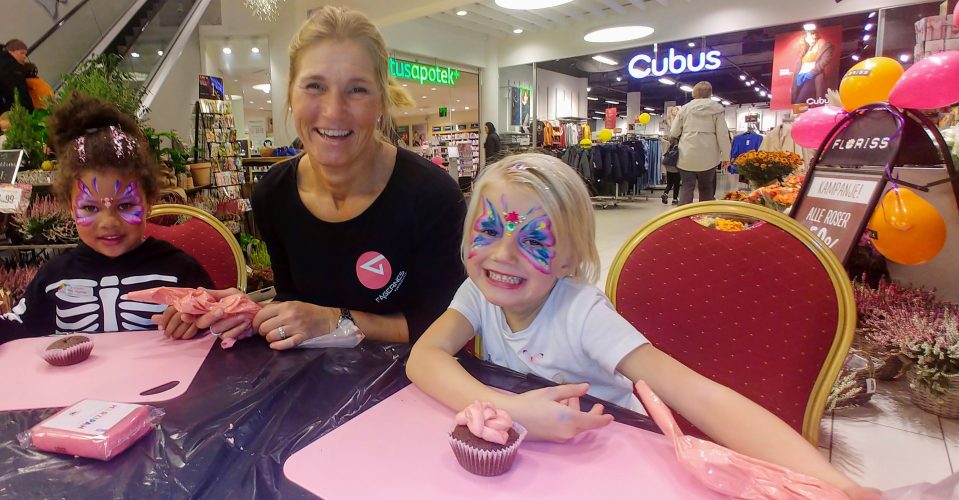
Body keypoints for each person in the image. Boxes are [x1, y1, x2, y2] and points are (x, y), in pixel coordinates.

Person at [407, 153, 879, 499]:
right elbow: (424, 358)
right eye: (487, 232)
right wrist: (511, 410)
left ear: (570, 256)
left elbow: (698, 394)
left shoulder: (582, 314)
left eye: (532, 239)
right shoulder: (477, 294)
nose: (502, 255)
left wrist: (839, 485)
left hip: (606, 462)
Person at [154, 5, 466, 347]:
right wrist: (240, 310)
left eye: (357, 89)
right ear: (290, 93)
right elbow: (294, 301)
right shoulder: (273, 195)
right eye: (315, 86)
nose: (333, 111)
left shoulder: (432, 196)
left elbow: (446, 323)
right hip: (313, 386)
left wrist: (338, 320)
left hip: (412, 385)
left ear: (381, 101)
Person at [0, 94, 213, 341]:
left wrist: (200, 317)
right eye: (90, 208)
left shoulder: (180, 270)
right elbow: (18, 326)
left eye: (125, 205)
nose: (109, 222)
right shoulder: (53, 276)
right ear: (71, 208)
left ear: (149, 203)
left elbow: (218, 323)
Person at [669, 81, 730, 205]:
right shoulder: (717, 109)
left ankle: (684, 219)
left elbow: (674, 132)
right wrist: (726, 156)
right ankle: (705, 218)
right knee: (706, 187)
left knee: (687, 186)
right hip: (709, 155)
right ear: (710, 93)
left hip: (687, 153)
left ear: (694, 92)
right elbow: (723, 135)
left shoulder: (685, 108)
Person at [791, 29, 833, 105]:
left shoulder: (824, 45)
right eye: (808, 37)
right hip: (802, 79)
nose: (811, 39)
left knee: (800, 102)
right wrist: (799, 75)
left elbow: (824, 61)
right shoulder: (806, 49)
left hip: (812, 78)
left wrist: (811, 73)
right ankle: (801, 116)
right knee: (799, 104)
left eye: (813, 36)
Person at [0, 39, 33, 114]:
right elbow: (18, 94)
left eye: (25, 54)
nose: (24, 56)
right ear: (11, 51)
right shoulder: (10, 67)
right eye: (22, 53)